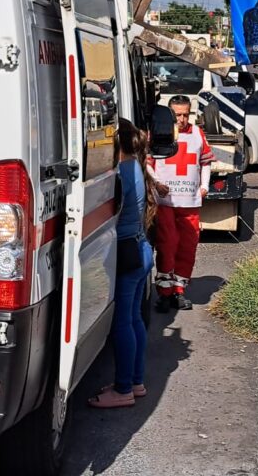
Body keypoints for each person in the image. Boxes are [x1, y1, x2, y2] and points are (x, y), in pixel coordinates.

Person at [89, 119, 154, 409]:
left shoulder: (120, 175)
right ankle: (135, 381)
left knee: (122, 323)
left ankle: (124, 388)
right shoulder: (135, 167)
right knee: (135, 319)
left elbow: (106, 215)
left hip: (127, 254)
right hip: (141, 250)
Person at [149, 94, 214, 312]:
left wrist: (204, 185)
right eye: (178, 115)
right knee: (167, 246)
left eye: (186, 114)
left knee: (188, 247)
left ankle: (179, 290)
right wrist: (156, 183)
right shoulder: (159, 133)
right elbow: (147, 162)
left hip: (190, 202)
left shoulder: (197, 134)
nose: (182, 119)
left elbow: (206, 162)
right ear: (170, 114)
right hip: (166, 202)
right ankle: (164, 293)